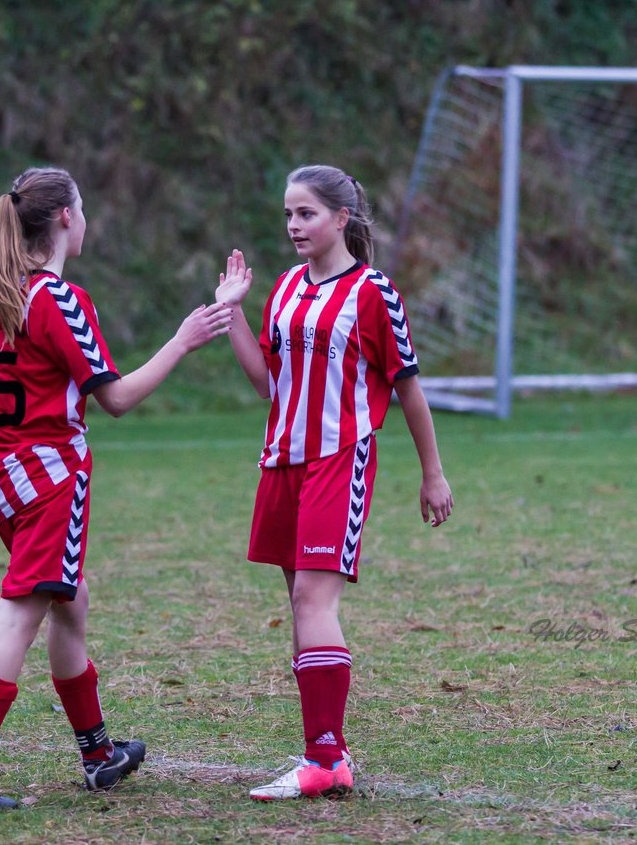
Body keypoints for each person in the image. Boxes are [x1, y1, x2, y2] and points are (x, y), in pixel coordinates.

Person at [0, 166, 232, 812]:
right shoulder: (57, 300)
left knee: (70, 600)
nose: (86, 220)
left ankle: (98, 753)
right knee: (24, 609)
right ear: (64, 219)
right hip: (49, 480)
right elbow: (115, 398)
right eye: (82, 209)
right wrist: (181, 342)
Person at [214, 164, 454, 800]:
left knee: (313, 604)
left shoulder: (374, 292)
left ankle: (324, 759)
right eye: (288, 214)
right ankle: (324, 755)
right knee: (299, 603)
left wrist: (433, 473)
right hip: (281, 461)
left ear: (341, 218)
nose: (293, 225)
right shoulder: (288, 287)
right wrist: (231, 312)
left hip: (338, 460)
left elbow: (409, 389)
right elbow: (269, 384)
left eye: (306, 214)